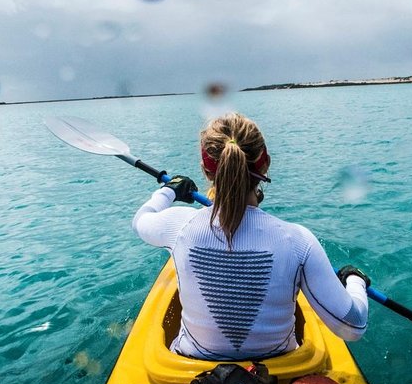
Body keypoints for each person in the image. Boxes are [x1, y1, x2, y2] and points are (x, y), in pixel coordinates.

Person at [132, 112, 370, 360]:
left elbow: (140, 222)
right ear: (265, 163)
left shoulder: (181, 226)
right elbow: (353, 327)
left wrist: (169, 191)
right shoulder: (298, 241)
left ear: (206, 171)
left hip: (190, 367)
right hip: (277, 375)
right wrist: (355, 280)